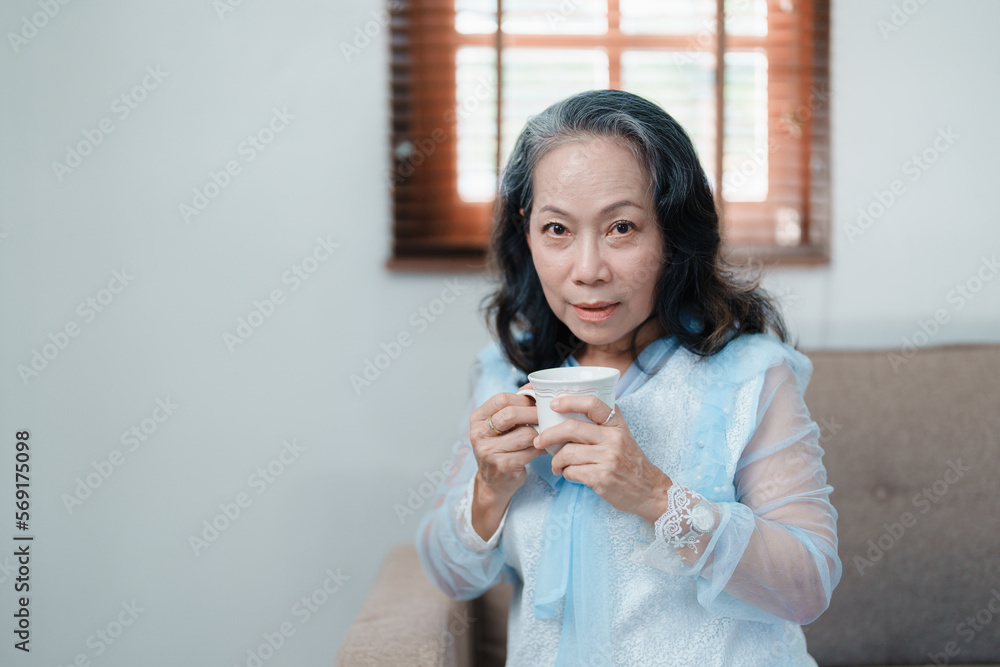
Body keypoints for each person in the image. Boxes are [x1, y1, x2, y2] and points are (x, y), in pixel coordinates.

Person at [416, 89, 841, 666]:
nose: (588, 271)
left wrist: (655, 495)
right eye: (557, 230)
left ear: (672, 231)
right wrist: (488, 489)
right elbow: (448, 572)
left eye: (621, 228)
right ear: (528, 230)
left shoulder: (748, 377)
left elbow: (807, 586)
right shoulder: (506, 374)